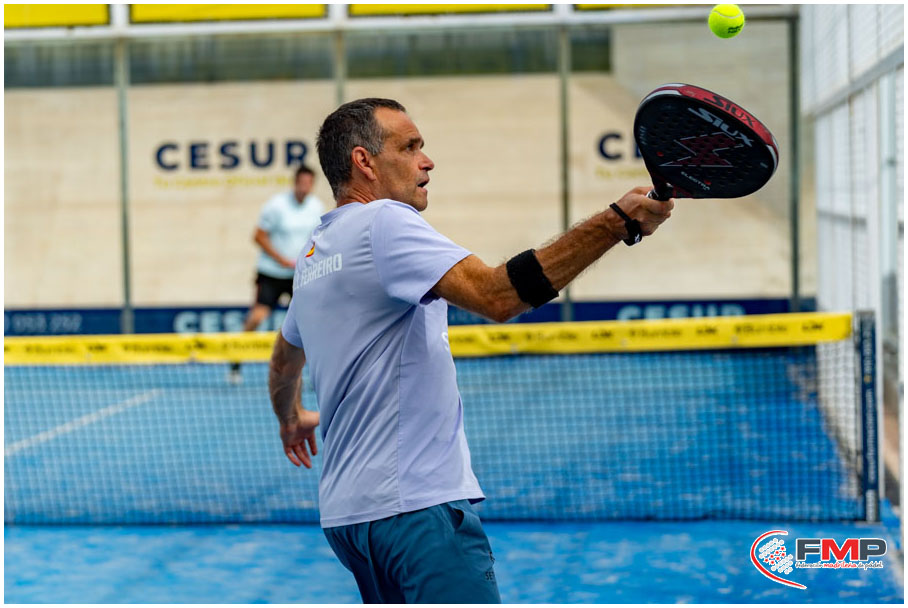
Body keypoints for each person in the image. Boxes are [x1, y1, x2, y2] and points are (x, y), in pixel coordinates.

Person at [267, 98, 674, 603]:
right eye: (409, 147)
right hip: (416, 512)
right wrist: (616, 223)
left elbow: (283, 361)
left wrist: (291, 418)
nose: (427, 161)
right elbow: (497, 295)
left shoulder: (315, 253)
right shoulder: (384, 222)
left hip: (348, 521)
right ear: (364, 161)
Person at [229, 164, 324, 384]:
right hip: (271, 273)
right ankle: (235, 364)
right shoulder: (276, 205)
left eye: (309, 183)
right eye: (302, 182)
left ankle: (315, 373)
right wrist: (279, 258)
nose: (305, 187)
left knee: (310, 322)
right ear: (295, 182)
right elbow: (258, 236)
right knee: (257, 318)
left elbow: (318, 239)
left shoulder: (316, 207)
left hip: (299, 275)